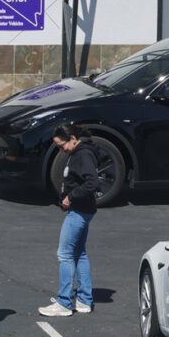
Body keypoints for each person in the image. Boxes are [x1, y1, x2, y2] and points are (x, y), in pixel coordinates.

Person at [39, 123, 99, 317]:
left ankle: (64, 302)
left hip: (79, 211)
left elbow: (92, 182)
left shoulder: (83, 154)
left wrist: (71, 197)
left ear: (73, 139)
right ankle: (84, 300)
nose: (60, 149)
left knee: (64, 254)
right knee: (78, 253)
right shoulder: (79, 152)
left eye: (61, 145)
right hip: (82, 209)